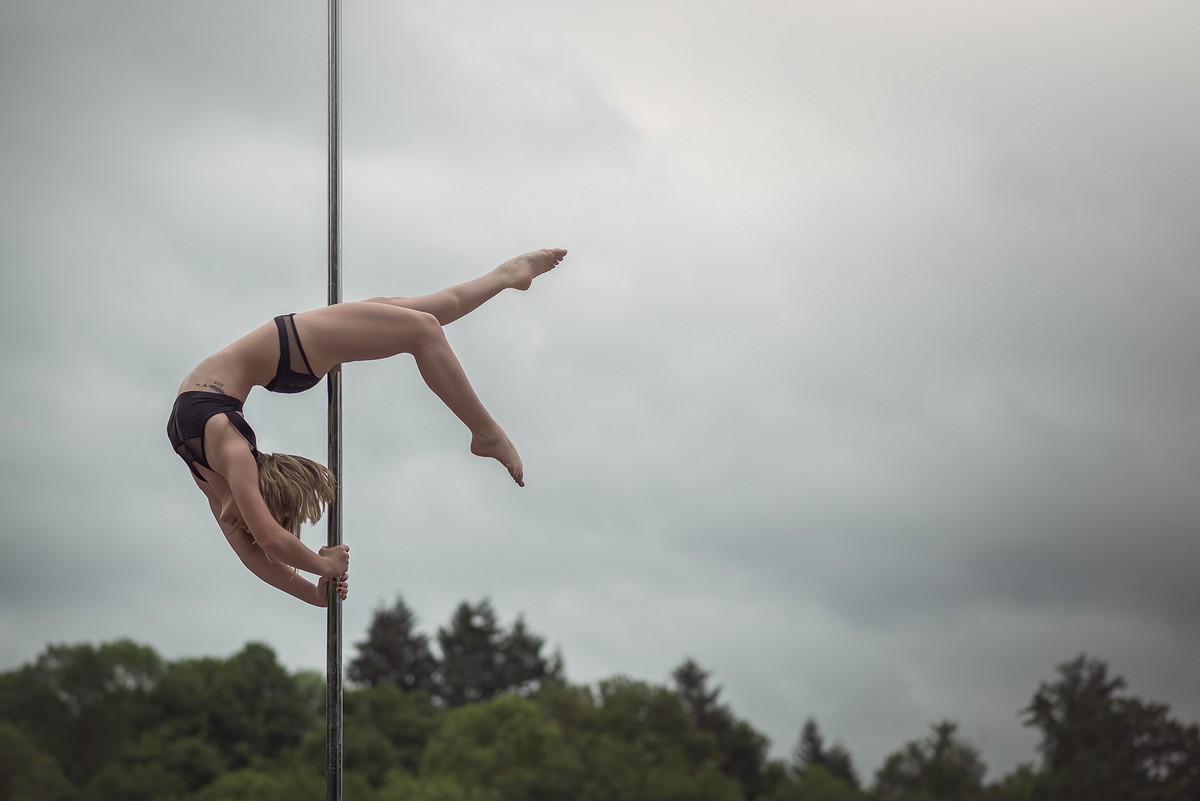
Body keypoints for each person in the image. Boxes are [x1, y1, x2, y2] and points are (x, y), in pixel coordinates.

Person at [167, 248, 568, 606]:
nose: (240, 526)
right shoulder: (223, 482)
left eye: (252, 520)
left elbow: (267, 541)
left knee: (417, 318)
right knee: (420, 323)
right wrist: (317, 580)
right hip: (287, 356)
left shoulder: (232, 460)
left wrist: (319, 578)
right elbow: (262, 551)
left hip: (289, 350)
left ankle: (486, 428)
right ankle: (505, 274)